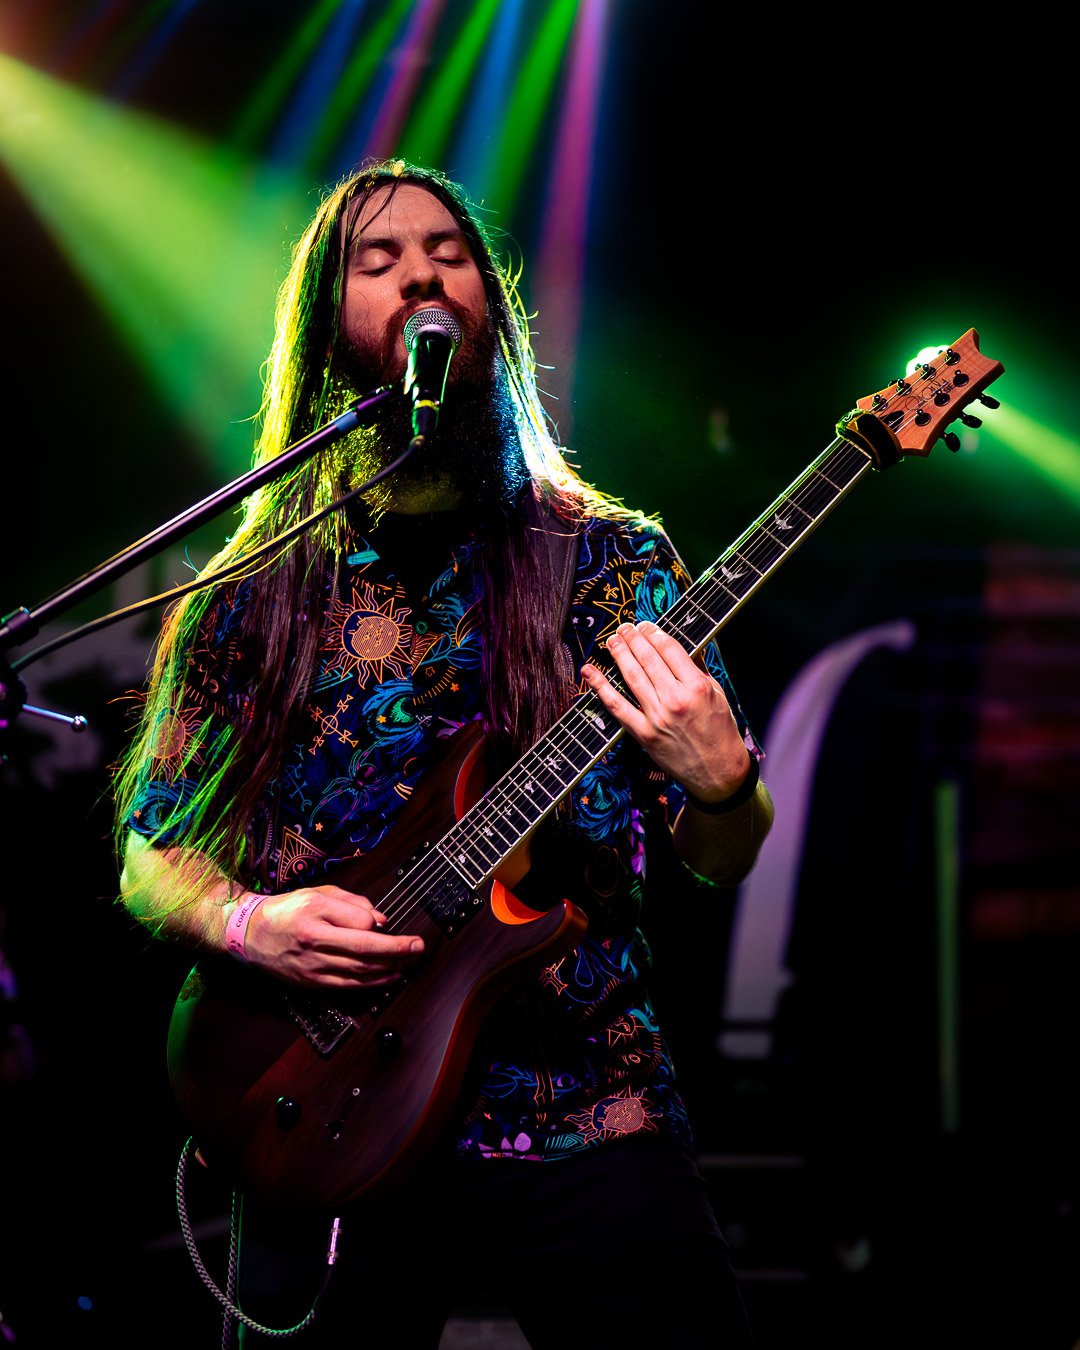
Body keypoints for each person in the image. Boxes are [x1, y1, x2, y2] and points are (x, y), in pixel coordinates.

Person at [112, 155, 775, 1348]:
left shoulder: (613, 564)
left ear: (491, 308)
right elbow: (151, 858)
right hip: (322, 1111)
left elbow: (720, 859)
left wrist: (725, 786)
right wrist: (251, 925)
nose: (421, 269)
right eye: (379, 259)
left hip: (584, 1101)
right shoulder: (251, 593)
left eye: (448, 251)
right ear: (331, 329)